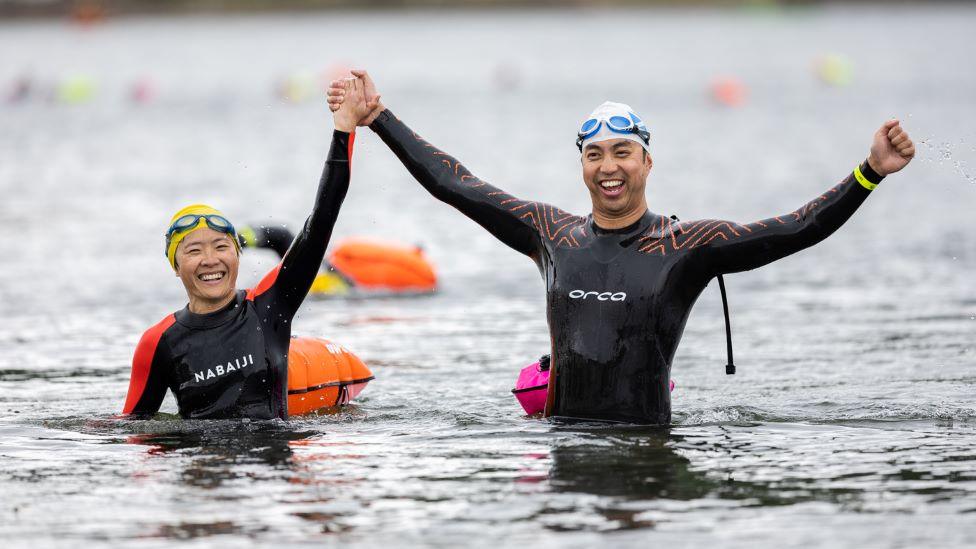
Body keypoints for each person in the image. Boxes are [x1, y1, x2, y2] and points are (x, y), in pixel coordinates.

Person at [327, 71, 915, 425]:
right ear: (582, 165)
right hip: (566, 444)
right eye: (594, 155)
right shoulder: (550, 235)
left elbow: (797, 228)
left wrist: (870, 172)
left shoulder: (687, 246)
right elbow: (455, 183)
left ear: (646, 162)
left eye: (622, 152)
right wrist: (377, 116)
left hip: (647, 445)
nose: (609, 168)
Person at [121, 78, 371, 420]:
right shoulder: (159, 342)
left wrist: (343, 130)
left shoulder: (268, 306)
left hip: (270, 469)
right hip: (203, 469)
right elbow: (134, 429)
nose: (210, 260)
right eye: (193, 251)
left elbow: (322, 221)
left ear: (237, 255)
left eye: (221, 247)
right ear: (175, 266)